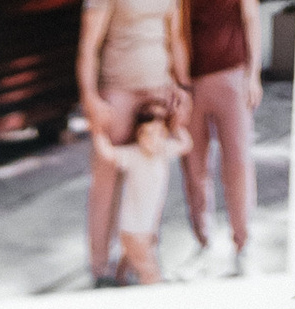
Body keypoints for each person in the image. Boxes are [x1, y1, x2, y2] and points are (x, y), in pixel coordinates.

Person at [78, 0, 187, 283]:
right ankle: (100, 266)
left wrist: (180, 84)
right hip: (119, 90)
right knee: (106, 178)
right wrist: (90, 97)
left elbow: (173, 38)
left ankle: (142, 261)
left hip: (158, 92)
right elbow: (89, 45)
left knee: (152, 180)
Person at [180, 0, 259, 272]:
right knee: (194, 166)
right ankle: (202, 238)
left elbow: (251, 18)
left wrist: (254, 75)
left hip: (233, 74)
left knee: (237, 162)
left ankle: (242, 240)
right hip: (192, 83)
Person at [91, 105, 193, 284]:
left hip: (150, 227)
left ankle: (120, 282)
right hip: (133, 229)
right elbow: (108, 153)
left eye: (159, 133)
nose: (153, 139)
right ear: (138, 136)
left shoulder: (164, 151)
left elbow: (186, 145)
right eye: (147, 134)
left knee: (132, 262)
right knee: (151, 274)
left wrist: (178, 126)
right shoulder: (133, 155)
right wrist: (98, 131)